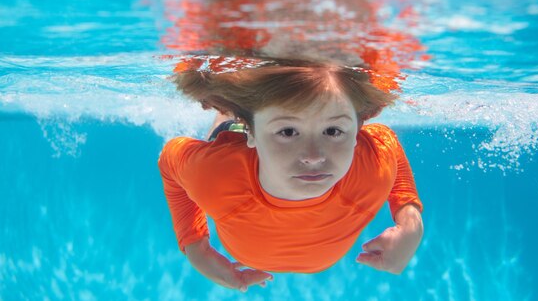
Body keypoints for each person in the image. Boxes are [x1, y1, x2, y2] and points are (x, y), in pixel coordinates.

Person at [158, 59, 424, 292]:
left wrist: (412, 224)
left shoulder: (371, 166)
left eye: (333, 131)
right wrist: (196, 248)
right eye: (288, 132)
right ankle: (237, 117)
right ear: (251, 132)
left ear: (357, 130)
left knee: (262, 114)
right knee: (229, 130)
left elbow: (389, 144)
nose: (313, 156)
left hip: (257, 138)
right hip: (240, 152)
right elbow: (169, 161)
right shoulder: (216, 175)